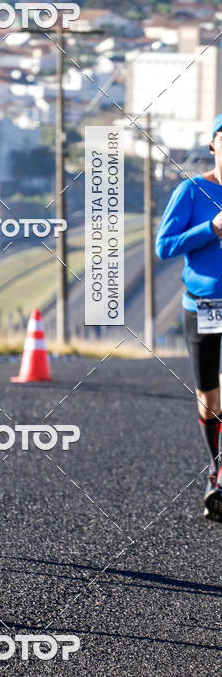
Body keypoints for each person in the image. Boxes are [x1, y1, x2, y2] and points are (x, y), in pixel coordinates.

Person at [156, 113, 222, 522]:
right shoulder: (192, 190)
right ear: (214, 145)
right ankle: (216, 472)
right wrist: (212, 229)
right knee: (209, 398)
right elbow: (165, 246)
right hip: (203, 307)